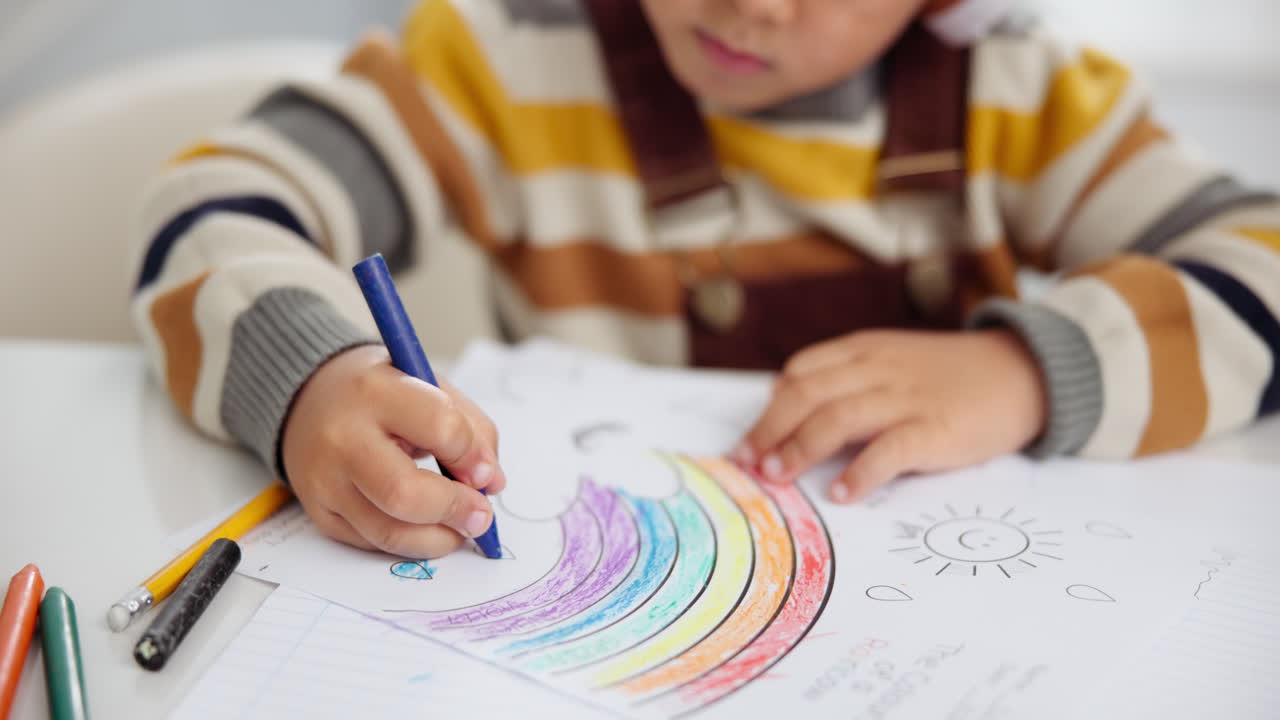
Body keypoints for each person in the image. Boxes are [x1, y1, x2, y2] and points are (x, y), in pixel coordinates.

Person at [129, 0, 1280, 559]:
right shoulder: (505, 56)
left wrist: (1024, 371)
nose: (750, 4)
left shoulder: (1020, 94)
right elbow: (212, 204)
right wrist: (309, 383)